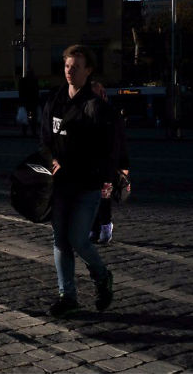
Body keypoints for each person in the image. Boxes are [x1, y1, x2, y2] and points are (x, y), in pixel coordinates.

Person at [39, 45, 116, 317]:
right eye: (67, 66)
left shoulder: (95, 106)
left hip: (86, 185)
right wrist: (51, 162)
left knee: (78, 239)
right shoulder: (56, 100)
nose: (70, 71)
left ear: (88, 70)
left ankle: (102, 275)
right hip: (60, 185)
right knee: (60, 241)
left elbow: (103, 150)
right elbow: (46, 140)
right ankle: (67, 295)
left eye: (76, 67)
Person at [89, 82, 130, 245]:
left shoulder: (112, 114)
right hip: (91, 163)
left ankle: (105, 227)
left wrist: (124, 166)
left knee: (103, 197)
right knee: (92, 197)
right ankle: (95, 229)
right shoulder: (86, 113)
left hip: (107, 164)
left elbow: (121, 141)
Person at [18, 69, 40, 136]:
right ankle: (32, 131)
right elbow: (36, 92)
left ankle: (25, 131)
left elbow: (21, 92)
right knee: (31, 118)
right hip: (31, 104)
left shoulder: (23, 81)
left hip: (27, 104)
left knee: (26, 118)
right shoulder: (34, 81)